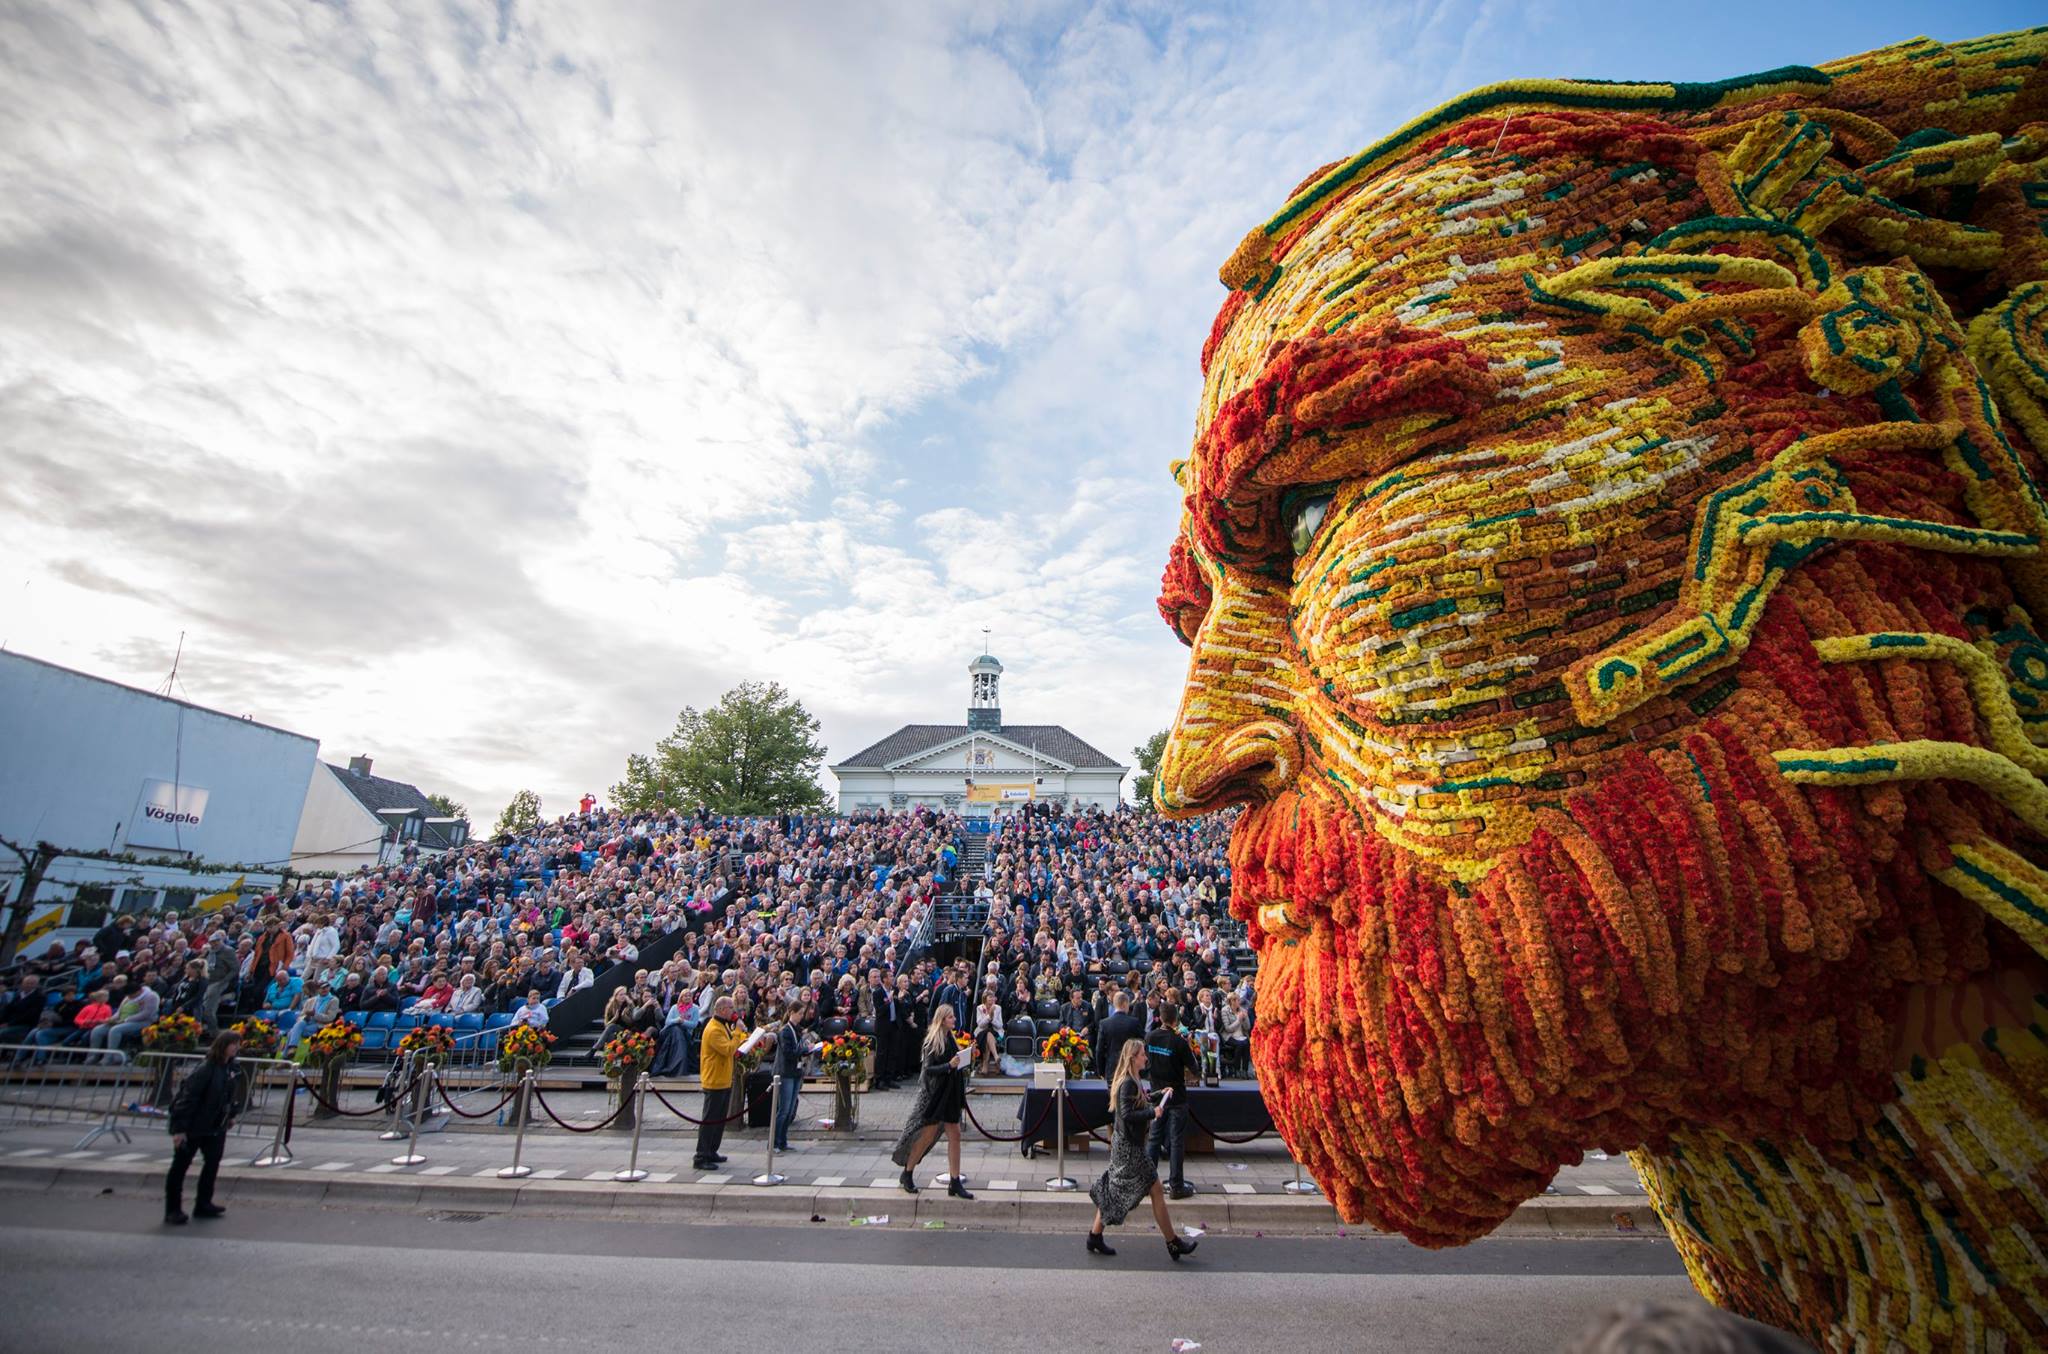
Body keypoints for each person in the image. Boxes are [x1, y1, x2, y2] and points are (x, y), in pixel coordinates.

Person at [1086, 1038, 1197, 1260]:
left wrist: (1158, 1094)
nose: (1146, 1057)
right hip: (1130, 1149)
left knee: (1122, 1190)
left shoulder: (1132, 1080)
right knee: (1145, 1190)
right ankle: (1172, 1242)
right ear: (1133, 1058)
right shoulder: (1128, 1082)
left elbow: (1141, 1100)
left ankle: (1095, 1235)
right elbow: (1128, 1114)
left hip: (1128, 1146)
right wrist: (1152, 1113)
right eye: (1143, 1054)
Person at [889, 1004, 973, 1198]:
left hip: (950, 1093)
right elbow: (928, 1070)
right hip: (936, 1096)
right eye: (951, 1017)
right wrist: (948, 1065)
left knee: (955, 1135)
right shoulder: (932, 1042)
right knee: (927, 1134)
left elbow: (954, 1064)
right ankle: (908, 1171)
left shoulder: (951, 1039)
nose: (954, 1020)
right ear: (942, 1020)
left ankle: (954, 1180)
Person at [165, 1029, 243, 1225]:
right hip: (195, 1125)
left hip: (216, 1125)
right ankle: (173, 1208)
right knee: (180, 1166)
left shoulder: (231, 1068)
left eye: (238, 1044)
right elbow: (187, 1099)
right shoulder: (206, 1069)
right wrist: (179, 1129)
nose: (236, 1048)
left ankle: (203, 1202)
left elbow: (229, 1095)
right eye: (234, 1044)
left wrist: (231, 1115)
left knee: (212, 1165)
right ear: (223, 1045)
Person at [1145, 1004, 1197, 1199]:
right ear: (1175, 1020)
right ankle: (1176, 1185)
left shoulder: (1150, 1037)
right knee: (1176, 1141)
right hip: (1176, 1097)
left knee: (1154, 1139)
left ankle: (1148, 1183)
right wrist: (1189, 1044)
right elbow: (1194, 1069)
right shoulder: (1179, 1042)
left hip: (1157, 1094)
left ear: (1160, 1017)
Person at [693, 996, 743, 1170]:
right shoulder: (714, 1029)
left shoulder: (722, 1025)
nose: (733, 1011)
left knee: (719, 1119)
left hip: (723, 1078)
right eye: (730, 1008)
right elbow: (728, 1049)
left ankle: (712, 1150)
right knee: (710, 1119)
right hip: (714, 1079)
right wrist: (737, 1032)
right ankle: (701, 1155)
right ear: (721, 1009)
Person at [772, 1000, 817, 1153]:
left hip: (796, 1071)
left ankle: (783, 1141)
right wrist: (804, 1049)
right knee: (783, 1110)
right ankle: (775, 1142)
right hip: (785, 1072)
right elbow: (789, 1052)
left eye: (802, 1014)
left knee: (790, 1110)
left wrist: (807, 1049)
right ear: (791, 1013)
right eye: (799, 1014)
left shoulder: (797, 1030)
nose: (801, 1017)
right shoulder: (785, 1031)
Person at [1094, 990, 1142, 1079]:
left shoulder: (1104, 1023)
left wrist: (1101, 1070)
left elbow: (1099, 1050)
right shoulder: (1134, 1022)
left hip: (1111, 1068)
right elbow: (1142, 1044)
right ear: (1125, 1003)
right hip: (1130, 1068)